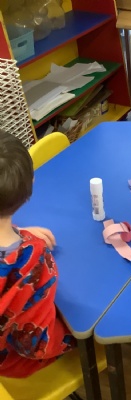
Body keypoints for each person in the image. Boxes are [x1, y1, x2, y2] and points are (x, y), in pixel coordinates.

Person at [0, 129, 76, 378]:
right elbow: (34, 344)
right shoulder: (32, 259)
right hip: (12, 361)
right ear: (31, 182)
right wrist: (73, 336)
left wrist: (16, 232)